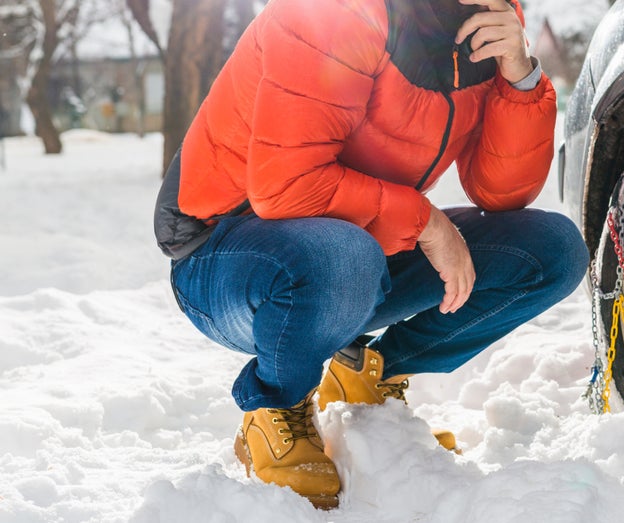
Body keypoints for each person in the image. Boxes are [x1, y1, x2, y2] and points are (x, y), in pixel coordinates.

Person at [153, 0, 588, 509]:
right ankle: (276, 404)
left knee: (550, 251)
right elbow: (285, 188)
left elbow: (501, 195)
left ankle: (366, 369)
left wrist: (517, 78)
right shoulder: (337, 11)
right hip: (229, 250)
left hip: (357, 241)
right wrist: (425, 222)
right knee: (344, 257)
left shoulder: (487, 20)